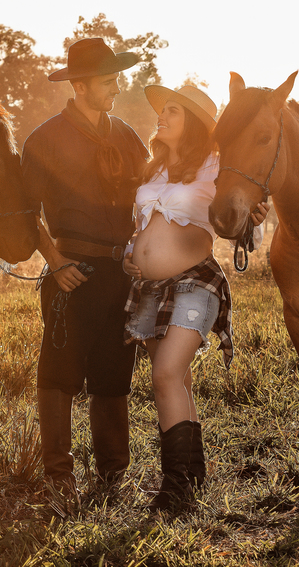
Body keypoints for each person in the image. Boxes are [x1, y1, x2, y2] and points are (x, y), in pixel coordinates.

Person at [122, 83, 269, 511]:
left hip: (195, 282)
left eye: (173, 111)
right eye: (162, 110)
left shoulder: (216, 167)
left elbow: (248, 219)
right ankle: (193, 472)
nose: (161, 116)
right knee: (178, 380)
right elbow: (142, 226)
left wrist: (254, 219)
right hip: (149, 288)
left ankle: (175, 487)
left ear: (195, 123)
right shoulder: (153, 170)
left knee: (166, 375)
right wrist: (131, 254)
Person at [21, 37, 150, 505]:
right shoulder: (45, 139)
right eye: (108, 81)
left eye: (117, 79)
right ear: (79, 86)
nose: (117, 88)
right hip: (72, 273)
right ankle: (58, 475)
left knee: (114, 375)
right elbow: (25, 211)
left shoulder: (127, 135)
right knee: (59, 375)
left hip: (123, 272)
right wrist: (55, 262)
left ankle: (113, 476)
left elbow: (154, 191)